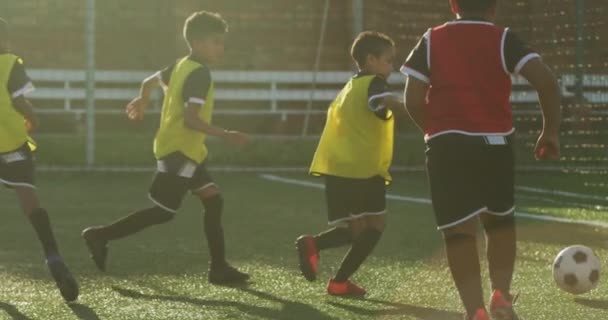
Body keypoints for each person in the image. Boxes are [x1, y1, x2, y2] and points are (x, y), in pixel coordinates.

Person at [401, 0, 562, 319]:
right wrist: (551, 133)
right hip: (495, 145)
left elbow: (412, 99)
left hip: (447, 146)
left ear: (452, 5)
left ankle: (475, 310)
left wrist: (434, 132)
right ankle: (501, 296)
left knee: (459, 233)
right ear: (494, 7)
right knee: (500, 222)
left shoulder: (432, 38)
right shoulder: (503, 38)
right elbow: (547, 82)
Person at [82, 11, 250, 285]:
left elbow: (149, 81)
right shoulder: (199, 74)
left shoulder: (181, 65)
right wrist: (226, 134)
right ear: (196, 43)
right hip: (180, 152)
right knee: (163, 212)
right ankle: (100, 235)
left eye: (222, 42)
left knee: (213, 200)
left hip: (186, 152)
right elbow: (191, 119)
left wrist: (143, 99)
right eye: (215, 42)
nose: (221, 47)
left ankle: (219, 268)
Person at [296, 31, 404, 296]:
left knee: (355, 231)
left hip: (340, 169)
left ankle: (333, 273)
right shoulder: (375, 84)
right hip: (362, 171)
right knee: (375, 226)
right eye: (389, 60)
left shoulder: (350, 86)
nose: (392, 66)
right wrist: (408, 104)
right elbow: (379, 101)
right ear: (371, 59)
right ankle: (331, 270)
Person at [0, 18, 79, 302]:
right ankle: (53, 257)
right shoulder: (10, 63)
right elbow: (19, 100)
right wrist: (33, 117)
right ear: (5, 40)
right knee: (30, 202)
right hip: (11, 143)